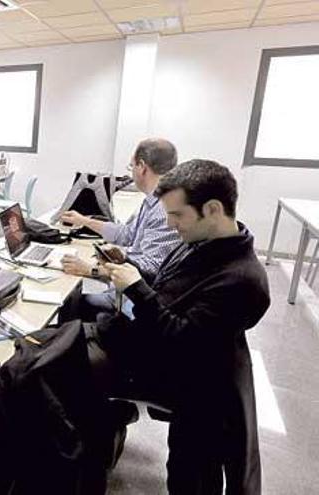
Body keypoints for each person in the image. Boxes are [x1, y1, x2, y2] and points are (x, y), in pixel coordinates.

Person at [91, 160, 270, 494]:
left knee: (192, 474)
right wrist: (127, 266)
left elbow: (180, 339)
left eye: (177, 215)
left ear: (213, 209)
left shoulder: (243, 280)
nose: (171, 225)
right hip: (174, 362)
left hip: (193, 385)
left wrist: (137, 290)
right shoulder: (201, 243)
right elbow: (169, 289)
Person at [60, 138, 181, 318]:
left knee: (69, 303)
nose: (131, 172)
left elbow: (150, 271)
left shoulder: (164, 211)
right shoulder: (151, 201)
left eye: (131, 166)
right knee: (72, 297)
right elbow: (127, 234)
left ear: (142, 167)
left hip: (134, 305)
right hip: (125, 293)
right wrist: (84, 220)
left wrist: (92, 270)